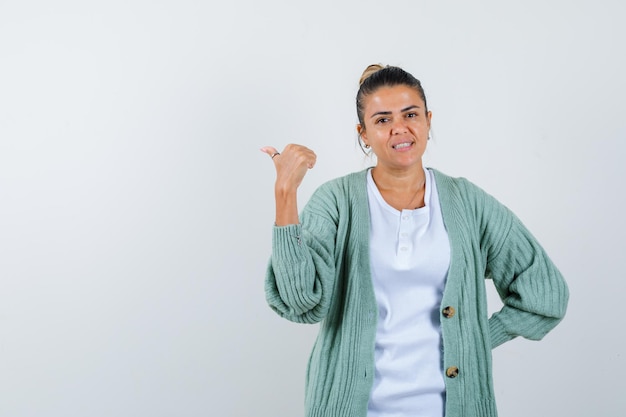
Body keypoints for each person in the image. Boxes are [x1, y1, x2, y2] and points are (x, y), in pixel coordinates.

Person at [260, 64, 569, 417]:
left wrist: (474, 340)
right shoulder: (336, 201)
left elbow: (544, 295)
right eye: (382, 120)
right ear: (363, 133)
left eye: (410, 114)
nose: (399, 129)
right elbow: (301, 302)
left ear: (428, 120)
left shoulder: (467, 202)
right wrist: (286, 191)